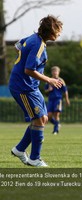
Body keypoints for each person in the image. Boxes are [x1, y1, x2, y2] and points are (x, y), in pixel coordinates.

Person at [9, 15, 63, 167]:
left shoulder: (33, 38)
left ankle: (20, 149)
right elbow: (28, 69)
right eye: (58, 30)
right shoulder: (38, 45)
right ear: (51, 32)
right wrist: (50, 80)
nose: (60, 33)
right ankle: (35, 158)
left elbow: (17, 46)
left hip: (31, 86)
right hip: (23, 87)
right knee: (38, 120)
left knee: (43, 118)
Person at [44, 66, 70, 134]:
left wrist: (67, 99)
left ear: (58, 72)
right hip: (50, 100)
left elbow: (65, 91)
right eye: (53, 71)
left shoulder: (60, 80)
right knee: (48, 116)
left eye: (56, 71)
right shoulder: (49, 80)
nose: (55, 73)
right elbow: (45, 91)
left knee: (56, 115)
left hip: (58, 99)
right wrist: (48, 90)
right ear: (52, 72)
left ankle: (55, 130)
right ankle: (57, 124)